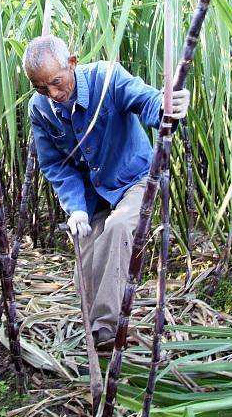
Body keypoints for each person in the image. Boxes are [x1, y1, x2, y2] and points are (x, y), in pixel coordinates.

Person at [23, 35, 190, 351]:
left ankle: (107, 332)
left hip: (135, 180)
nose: (53, 94)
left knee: (117, 229)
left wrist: (168, 106)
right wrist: (76, 209)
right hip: (91, 196)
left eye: (57, 82)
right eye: (42, 88)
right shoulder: (40, 108)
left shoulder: (107, 77)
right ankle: (91, 326)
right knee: (85, 248)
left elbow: (145, 100)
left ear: (72, 62)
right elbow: (55, 165)